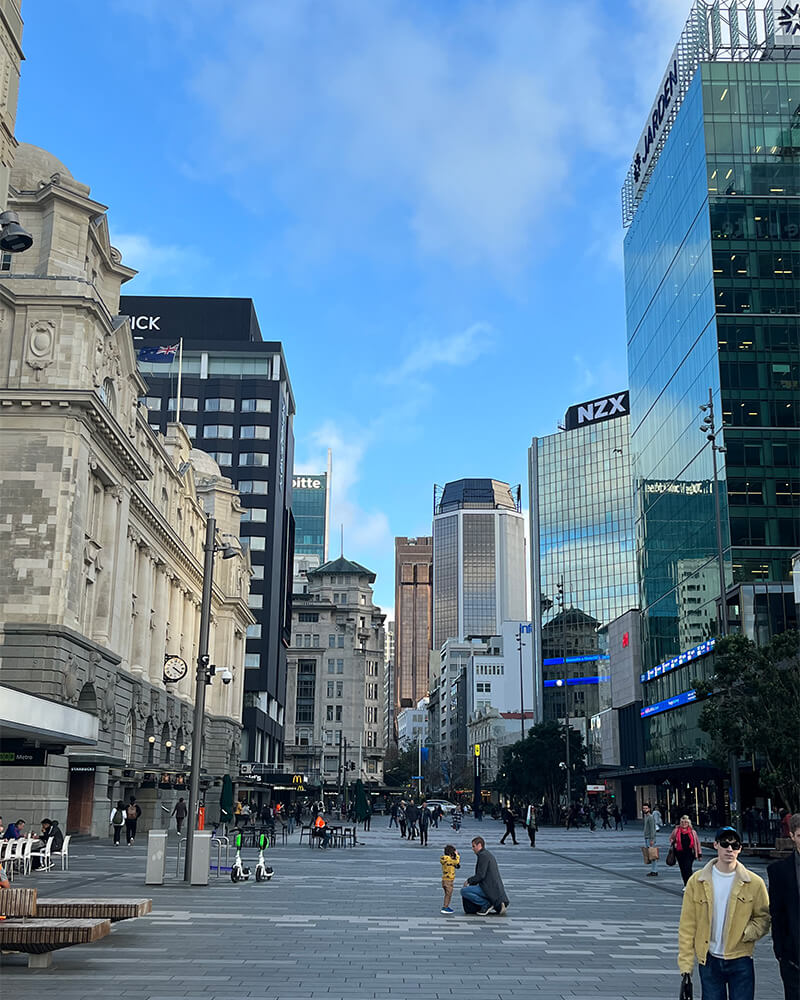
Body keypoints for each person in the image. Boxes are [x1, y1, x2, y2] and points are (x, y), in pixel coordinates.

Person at [678, 825, 770, 1000]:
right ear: (715, 845)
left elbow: (764, 918)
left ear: (740, 849)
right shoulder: (697, 881)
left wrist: (746, 933)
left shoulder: (754, 883)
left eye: (735, 845)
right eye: (725, 844)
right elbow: (687, 925)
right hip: (709, 959)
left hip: (741, 957)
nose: (729, 849)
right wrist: (686, 964)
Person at [767, 812, 800, 1000]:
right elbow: (776, 913)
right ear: (792, 836)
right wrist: (780, 951)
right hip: (793, 954)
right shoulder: (779, 871)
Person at [461, 836, 509, 916]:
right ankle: (490, 903)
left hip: (489, 888)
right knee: (469, 890)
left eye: (474, 846)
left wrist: (469, 881)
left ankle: (486, 904)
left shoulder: (483, 856)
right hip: (493, 888)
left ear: (479, 845)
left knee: (464, 891)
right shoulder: (486, 854)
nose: (472, 849)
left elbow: (481, 875)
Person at [670, 815, 702, 888]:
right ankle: (686, 884)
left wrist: (699, 853)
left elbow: (697, 842)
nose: (684, 824)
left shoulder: (692, 832)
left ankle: (690, 884)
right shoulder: (676, 830)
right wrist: (674, 843)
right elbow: (671, 838)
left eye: (685, 822)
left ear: (688, 823)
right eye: (682, 822)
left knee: (688, 868)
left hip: (690, 853)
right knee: (683, 869)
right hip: (679, 852)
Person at [439, 844, 460, 914]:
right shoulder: (449, 860)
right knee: (449, 894)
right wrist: (457, 856)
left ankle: (445, 906)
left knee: (447, 894)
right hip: (449, 881)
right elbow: (456, 862)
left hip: (444, 880)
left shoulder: (444, 859)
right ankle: (445, 907)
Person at [642, 803, 658, 876]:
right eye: (644, 808)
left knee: (653, 855)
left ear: (649, 809)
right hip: (647, 837)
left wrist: (652, 839)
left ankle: (654, 870)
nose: (644, 809)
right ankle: (653, 870)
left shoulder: (650, 817)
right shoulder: (646, 817)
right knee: (650, 855)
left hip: (649, 838)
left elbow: (652, 829)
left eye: (646, 808)